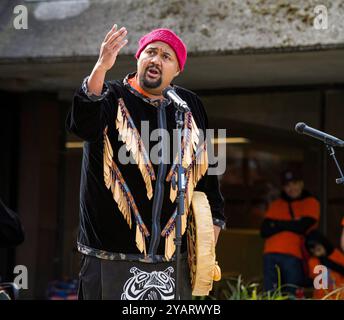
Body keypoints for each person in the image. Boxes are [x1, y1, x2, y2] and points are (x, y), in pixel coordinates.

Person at [66, 26, 225, 300]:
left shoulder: (188, 106)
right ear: (139, 57)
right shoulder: (111, 95)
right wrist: (101, 66)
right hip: (110, 256)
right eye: (151, 52)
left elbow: (208, 176)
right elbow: (81, 124)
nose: (156, 60)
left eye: (166, 56)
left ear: (177, 70)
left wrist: (209, 240)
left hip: (172, 259)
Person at [260, 169, 320, 295]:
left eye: (295, 183)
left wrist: (276, 224)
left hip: (294, 255)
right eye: (287, 185)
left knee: (292, 293)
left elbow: (302, 227)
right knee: (270, 294)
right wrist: (292, 223)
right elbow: (264, 230)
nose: (291, 188)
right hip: (270, 253)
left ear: (301, 184)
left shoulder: (311, 202)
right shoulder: (276, 204)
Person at [305, 230, 344, 299]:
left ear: (323, 243)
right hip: (321, 297)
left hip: (339, 295)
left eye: (317, 247)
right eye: (312, 248)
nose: (314, 250)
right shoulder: (312, 261)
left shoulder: (336, 254)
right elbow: (312, 279)